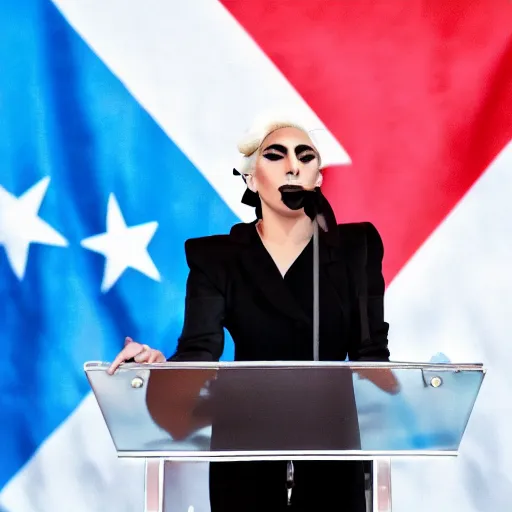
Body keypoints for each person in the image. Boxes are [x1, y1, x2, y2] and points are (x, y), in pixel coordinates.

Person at [108, 115, 393, 511]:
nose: (293, 165)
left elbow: (372, 358)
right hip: (245, 449)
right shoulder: (217, 258)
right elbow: (199, 353)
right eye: (275, 156)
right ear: (251, 179)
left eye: (305, 156)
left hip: (332, 448)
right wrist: (159, 369)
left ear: (318, 178)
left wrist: (424, 389)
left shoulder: (354, 248)